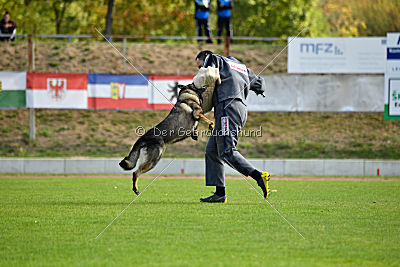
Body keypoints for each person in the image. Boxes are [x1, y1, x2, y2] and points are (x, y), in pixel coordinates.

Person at [194, 50, 270, 203]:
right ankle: (219, 193)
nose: (200, 69)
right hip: (240, 109)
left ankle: (258, 176)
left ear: (205, 58)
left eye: (199, 65)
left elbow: (207, 74)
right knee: (212, 150)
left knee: (227, 151)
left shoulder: (214, 59)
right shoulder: (241, 67)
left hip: (226, 108)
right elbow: (260, 84)